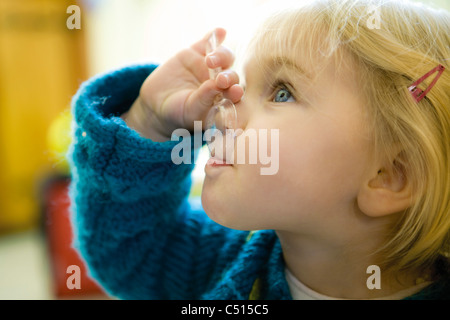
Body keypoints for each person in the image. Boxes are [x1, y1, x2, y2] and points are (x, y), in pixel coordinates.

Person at [68, 0, 450, 299]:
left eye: (282, 92)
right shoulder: (222, 258)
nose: (224, 104)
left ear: (389, 176)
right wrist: (151, 123)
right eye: (242, 84)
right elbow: (133, 253)